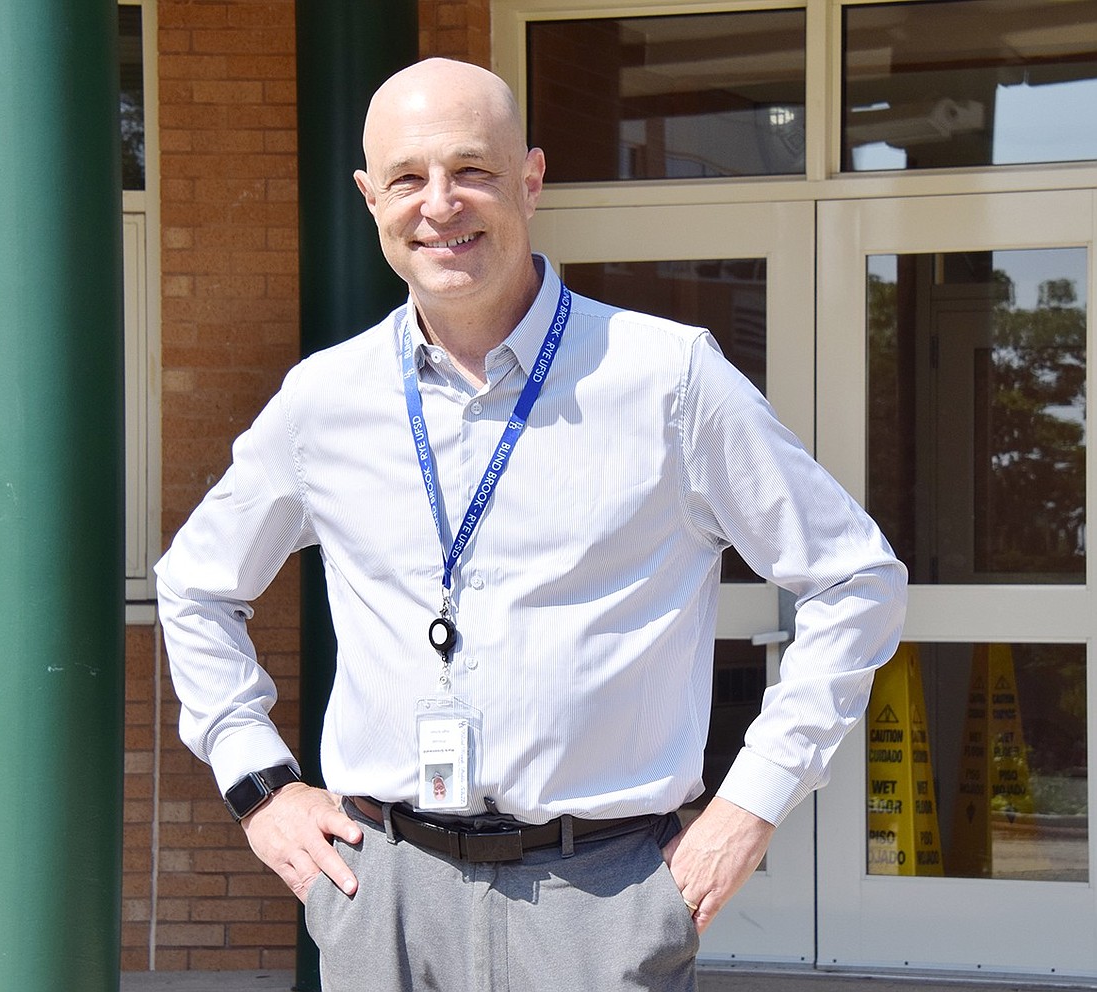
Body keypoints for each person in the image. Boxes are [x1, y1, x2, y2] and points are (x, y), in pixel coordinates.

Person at [156, 57, 907, 991]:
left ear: (531, 179)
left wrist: (747, 808)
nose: (440, 204)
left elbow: (856, 580)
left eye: (471, 168)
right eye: (407, 178)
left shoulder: (667, 379)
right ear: (369, 198)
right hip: (380, 888)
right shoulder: (324, 400)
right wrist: (258, 784)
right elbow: (193, 585)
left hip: (599, 898)